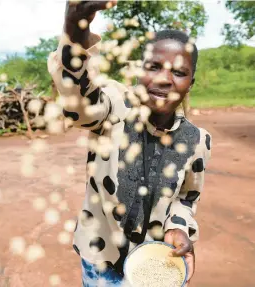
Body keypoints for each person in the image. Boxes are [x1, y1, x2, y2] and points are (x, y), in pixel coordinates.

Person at [48, 1, 212, 286]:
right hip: (100, 262)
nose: (163, 79)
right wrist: (74, 31)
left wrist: (178, 229)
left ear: (191, 82)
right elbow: (80, 104)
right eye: (154, 66)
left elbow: (186, 200)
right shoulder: (113, 109)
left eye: (178, 72)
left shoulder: (197, 141)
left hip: (155, 264)